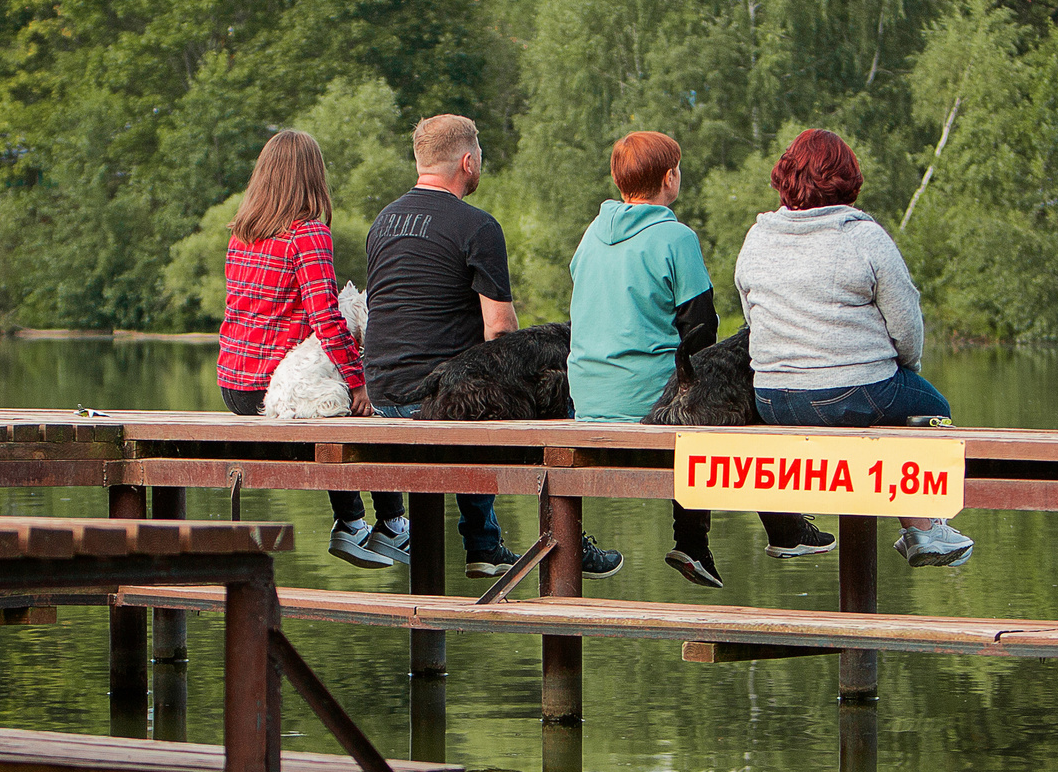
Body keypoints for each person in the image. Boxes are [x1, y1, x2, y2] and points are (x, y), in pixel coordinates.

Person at [352, 113, 620, 579]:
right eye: (480, 158)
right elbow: (499, 330)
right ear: (467, 161)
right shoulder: (476, 226)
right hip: (436, 399)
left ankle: (485, 540)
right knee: (538, 394)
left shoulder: (383, 222)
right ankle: (557, 542)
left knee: (472, 386)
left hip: (382, 394)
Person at [566, 130, 832, 590]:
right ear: (670, 178)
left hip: (586, 394)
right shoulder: (675, 236)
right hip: (649, 400)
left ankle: (722, 539)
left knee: (701, 406)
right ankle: (762, 531)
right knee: (721, 399)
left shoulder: (591, 235)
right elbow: (701, 331)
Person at [735, 128, 973, 567]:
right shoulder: (862, 235)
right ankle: (924, 528)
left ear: (786, 176)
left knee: (890, 414)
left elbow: (754, 319)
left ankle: (920, 529)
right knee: (930, 408)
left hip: (772, 397)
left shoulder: (758, 237)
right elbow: (905, 321)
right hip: (853, 391)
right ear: (847, 180)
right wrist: (908, 369)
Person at [215, 129, 376, 561]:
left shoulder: (242, 233)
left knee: (331, 406)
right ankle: (369, 523)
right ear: (313, 178)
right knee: (362, 412)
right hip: (271, 389)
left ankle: (356, 523)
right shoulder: (308, 235)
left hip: (233, 385)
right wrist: (359, 383)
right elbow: (326, 319)